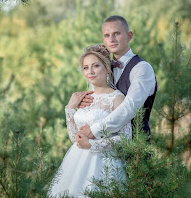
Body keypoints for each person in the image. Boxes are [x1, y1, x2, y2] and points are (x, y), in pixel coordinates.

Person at [48, 44, 132, 197]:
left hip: (103, 165)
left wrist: (92, 144)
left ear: (107, 68)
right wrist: (70, 108)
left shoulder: (117, 99)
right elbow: (75, 138)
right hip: (76, 162)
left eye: (96, 66)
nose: (90, 71)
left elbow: (126, 138)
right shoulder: (84, 98)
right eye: (86, 68)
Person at [79, 15, 157, 141]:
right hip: (102, 147)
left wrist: (95, 130)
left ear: (129, 36)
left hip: (135, 149)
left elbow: (129, 108)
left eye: (116, 34)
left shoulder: (142, 68)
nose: (112, 39)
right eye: (107, 35)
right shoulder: (101, 68)